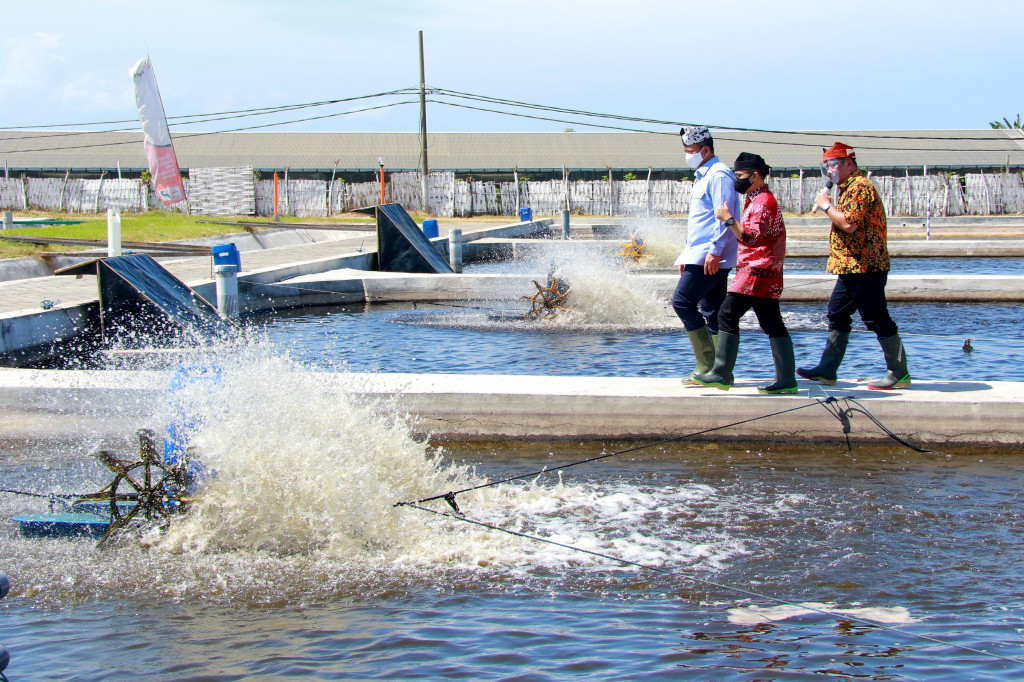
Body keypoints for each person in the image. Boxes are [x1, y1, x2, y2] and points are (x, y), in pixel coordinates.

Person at [797, 142, 911, 390]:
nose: (830, 171)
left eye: (833, 165)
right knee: (837, 313)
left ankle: (899, 372)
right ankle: (827, 369)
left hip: (865, 265)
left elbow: (849, 224)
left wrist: (826, 205)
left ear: (849, 163)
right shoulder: (846, 188)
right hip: (850, 267)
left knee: (876, 317)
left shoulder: (860, 186)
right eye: (827, 166)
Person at [690, 153, 796, 394]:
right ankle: (787, 380)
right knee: (772, 323)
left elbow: (751, 238)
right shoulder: (756, 198)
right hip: (764, 271)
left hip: (757, 271)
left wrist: (727, 219)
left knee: (727, 314)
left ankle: (721, 373)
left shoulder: (763, 203)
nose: (736, 180)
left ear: (755, 175)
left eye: (739, 175)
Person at [672, 125, 740, 385]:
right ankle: (721, 372)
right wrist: (686, 255)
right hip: (700, 253)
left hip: (710, 254)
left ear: (706, 150)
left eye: (691, 150)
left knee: (682, 302)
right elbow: (699, 222)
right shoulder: (703, 175)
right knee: (712, 310)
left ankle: (707, 365)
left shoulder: (719, 174)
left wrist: (715, 251)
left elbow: (724, 215)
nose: (687, 155)